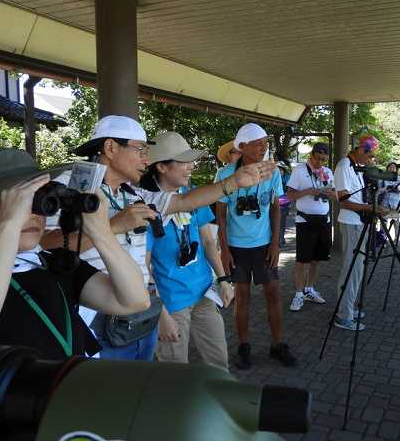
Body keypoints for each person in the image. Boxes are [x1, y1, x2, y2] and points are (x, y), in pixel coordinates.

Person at [41, 115, 275, 361]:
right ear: (110, 148)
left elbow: (184, 201)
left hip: (141, 314)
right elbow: (43, 246)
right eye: (140, 149)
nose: (146, 158)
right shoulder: (70, 186)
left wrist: (234, 182)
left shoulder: (133, 194)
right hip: (97, 318)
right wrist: (114, 226)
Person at [0, 148, 149, 360]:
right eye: (14, 203)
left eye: (39, 199)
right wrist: (10, 223)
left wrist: (102, 232)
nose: (33, 214)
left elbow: (134, 300)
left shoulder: (53, 263)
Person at [140, 132, 234, 370]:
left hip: (204, 293)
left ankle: (217, 404)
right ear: (161, 166)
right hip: (171, 302)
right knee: (174, 373)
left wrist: (223, 278)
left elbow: (208, 241)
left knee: (219, 363)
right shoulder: (145, 207)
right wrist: (160, 314)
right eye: (184, 161)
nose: (191, 166)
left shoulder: (193, 195)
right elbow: (142, 267)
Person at [216, 122, 297, 369]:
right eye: (257, 143)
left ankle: (278, 344)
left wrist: (275, 243)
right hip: (236, 247)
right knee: (242, 297)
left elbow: (276, 206)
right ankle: (243, 346)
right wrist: (225, 250)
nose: (263, 148)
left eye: (265, 143)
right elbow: (220, 215)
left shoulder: (271, 172)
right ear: (242, 146)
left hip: (263, 245)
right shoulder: (224, 175)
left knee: (273, 292)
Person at [333, 135, 388, 331]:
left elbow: (357, 195)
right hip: (351, 224)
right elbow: (343, 201)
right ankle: (343, 316)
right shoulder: (343, 166)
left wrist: (373, 205)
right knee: (351, 269)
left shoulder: (356, 168)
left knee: (357, 270)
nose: (371, 159)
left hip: (359, 223)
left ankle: (348, 308)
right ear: (361, 150)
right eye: (370, 155)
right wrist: (369, 208)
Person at [286, 142, 336, 312]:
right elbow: (290, 195)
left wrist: (330, 194)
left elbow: (334, 194)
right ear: (311, 156)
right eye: (318, 159)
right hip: (305, 221)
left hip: (323, 220)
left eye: (324, 160)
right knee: (302, 260)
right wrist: (308, 191)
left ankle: (309, 289)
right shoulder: (299, 170)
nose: (320, 163)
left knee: (316, 259)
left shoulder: (328, 172)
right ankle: (298, 293)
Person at [379, 162, 400, 239]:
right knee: (383, 222)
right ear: (387, 169)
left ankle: (396, 239)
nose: (392, 168)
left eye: (394, 167)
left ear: (396, 169)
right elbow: (379, 190)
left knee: (395, 222)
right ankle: (382, 239)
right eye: (390, 167)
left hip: (395, 202)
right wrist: (386, 188)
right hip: (384, 202)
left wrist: (397, 188)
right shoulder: (383, 178)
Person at [277, 162, 291, 248]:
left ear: (283, 170)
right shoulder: (274, 179)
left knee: (281, 223)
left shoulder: (287, 179)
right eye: (277, 170)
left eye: (280, 170)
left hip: (284, 205)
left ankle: (281, 239)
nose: (278, 171)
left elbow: (290, 193)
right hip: (275, 204)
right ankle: (279, 239)